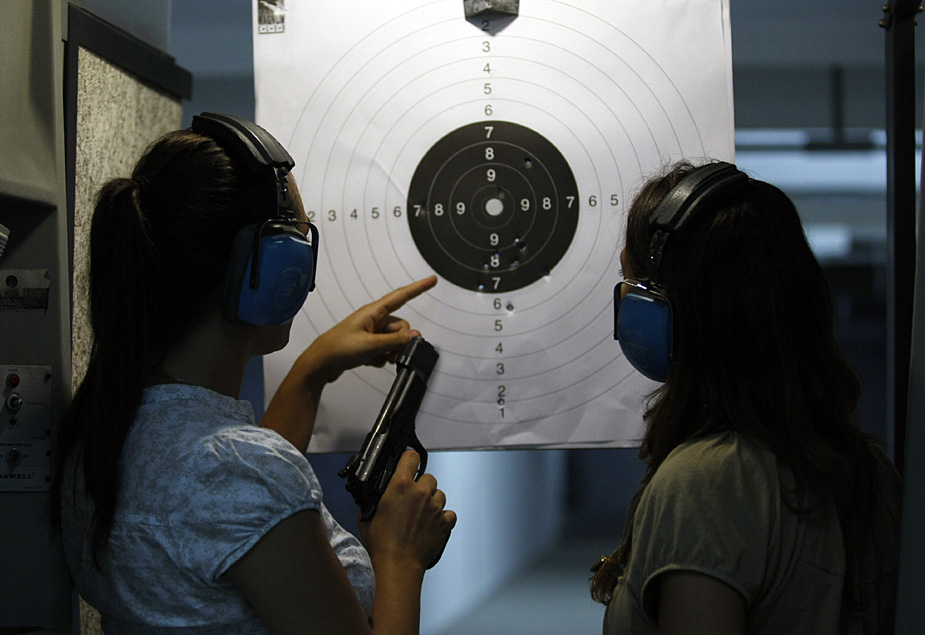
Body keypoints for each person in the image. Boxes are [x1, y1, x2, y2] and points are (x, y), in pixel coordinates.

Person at [51, 112, 456, 634]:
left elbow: (235, 502)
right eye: (300, 243)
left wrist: (313, 369)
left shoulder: (99, 433)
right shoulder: (243, 472)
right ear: (275, 266)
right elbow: (246, 490)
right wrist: (401, 556)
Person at [594, 160, 902, 634]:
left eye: (634, 285)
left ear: (672, 308)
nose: (625, 304)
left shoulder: (704, 482)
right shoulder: (870, 470)